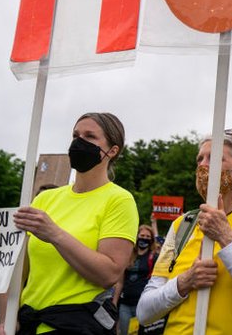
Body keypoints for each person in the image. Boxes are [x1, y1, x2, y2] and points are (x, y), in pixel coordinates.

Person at [136, 129, 232, 335]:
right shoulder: (183, 224)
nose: (202, 165)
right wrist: (185, 282)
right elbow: (144, 312)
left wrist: (225, 236)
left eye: (214, 158)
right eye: (199, 159)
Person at [7, 112, 138, 335]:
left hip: (76, 325)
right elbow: (17, 269)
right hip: (28, 324)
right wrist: (6, 319)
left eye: (90, 136)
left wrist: (55, 234)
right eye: (75, 135)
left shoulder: (119, 200)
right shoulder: (45, 199)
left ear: (113, 151)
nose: (79, 142)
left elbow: (109, 274)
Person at [117, 225, 158, 334]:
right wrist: (114, 301)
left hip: (142, 304)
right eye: (142, 235)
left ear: (152, 240)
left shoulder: (153, 257)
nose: (144, 238)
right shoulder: (128, 255)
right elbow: (120, 281)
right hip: (125, 304)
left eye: (148, 236)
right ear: (137, 237)